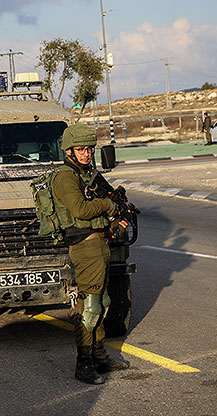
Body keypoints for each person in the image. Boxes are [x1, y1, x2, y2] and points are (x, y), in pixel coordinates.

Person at [51, 124, 130, 384]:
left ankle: (99, 355)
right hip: (85, 247)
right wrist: (107, 204)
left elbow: (94, 217)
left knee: (102, 303)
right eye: (80, 150)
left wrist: (115, 222)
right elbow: (80, 210)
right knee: (90, 307)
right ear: (69, 151)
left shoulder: (85, 174)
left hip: (97, 244)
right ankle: (83, 363)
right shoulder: (65, 177)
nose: (86, 154)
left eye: (88, 149)